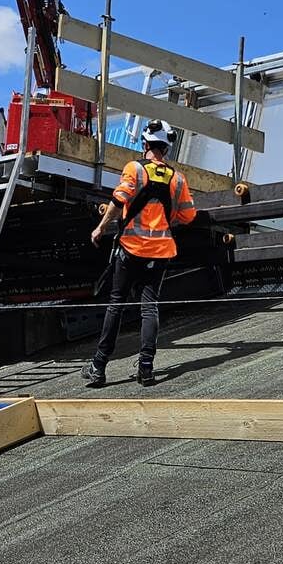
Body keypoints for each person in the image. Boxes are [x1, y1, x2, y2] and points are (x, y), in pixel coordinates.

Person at [84, 120, 196, 387]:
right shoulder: (178, 179)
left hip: (131, 249)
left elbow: (118, 200)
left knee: (116, 303)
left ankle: (99, 367)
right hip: (160, 252)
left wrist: (101, 228)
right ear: (166, 149)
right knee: (150, 307)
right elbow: (188, 215)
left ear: (145, 144)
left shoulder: (134, 169)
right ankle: (146, 368)